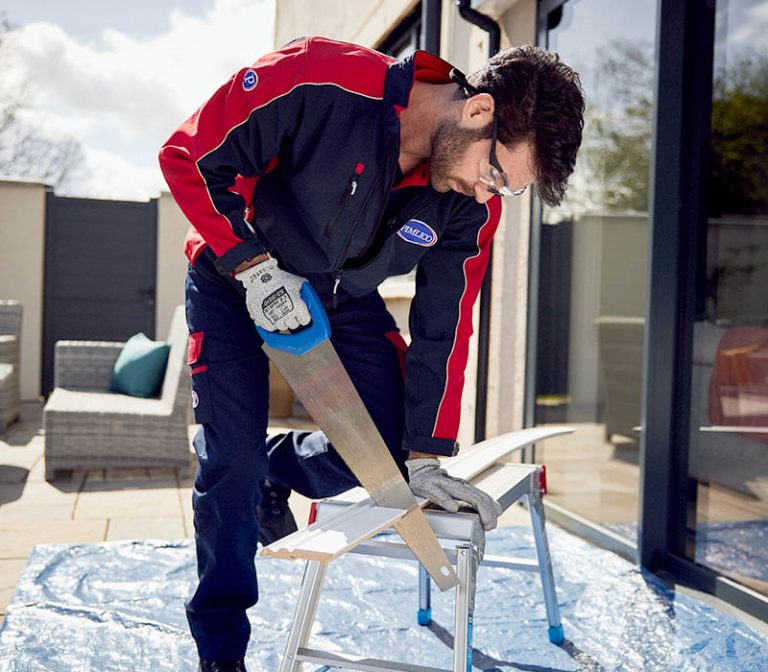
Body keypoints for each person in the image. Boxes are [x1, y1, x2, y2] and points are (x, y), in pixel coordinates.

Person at [159, 35, 584, 672]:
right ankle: (222, 653)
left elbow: (448, 325)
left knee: (382, 454)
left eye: (505, 191)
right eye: (495, 173)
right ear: (477, 112)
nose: (484, 195)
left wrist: (426, 455)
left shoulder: (468, 208)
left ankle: (275, 465)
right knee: (229, 468)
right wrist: (251, 265)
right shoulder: (321, 78)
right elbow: (189, 156)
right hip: (236, 275)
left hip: (340, 294)